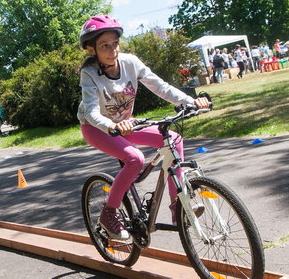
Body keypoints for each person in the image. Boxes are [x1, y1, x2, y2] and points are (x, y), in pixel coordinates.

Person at [76, 15, 210, 241]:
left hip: (127, 124)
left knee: (174, 140)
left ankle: (177, 206)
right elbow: (90, 111)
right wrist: (111, 126)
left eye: (115, 43)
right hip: (97, 128)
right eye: (104, 46)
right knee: (135, 159)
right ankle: (109, 214)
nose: (112, 50)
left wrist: (190, 101)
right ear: (92, 50)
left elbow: (161, 87)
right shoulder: (89, 74)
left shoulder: (131, 63)